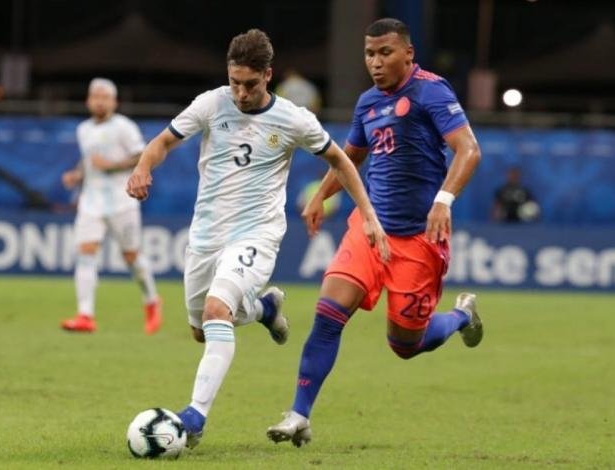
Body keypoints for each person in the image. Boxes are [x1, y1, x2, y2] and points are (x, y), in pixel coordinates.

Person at [126, 29, 387, 448]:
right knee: (202, 330)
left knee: (217, 310)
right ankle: (264, 309)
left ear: (268, 75)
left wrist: (368, 216)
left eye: (250, 84)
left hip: (256, 234)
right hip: (206, 235)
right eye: (235, 82)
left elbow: (341, 160)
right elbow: (163, 142)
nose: (241, 93)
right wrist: (143, 167)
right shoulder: (211, 104)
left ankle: (194, 417)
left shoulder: (294, 119)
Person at [266, 18, 484, 447]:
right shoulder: (367, 102)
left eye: (385, 52)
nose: (376, 62)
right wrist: (320, 195)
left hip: (418, 240)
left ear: (408, 53)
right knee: (328, 314)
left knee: (405, 344)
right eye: (369, 53)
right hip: (370, 230)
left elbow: (469, 149)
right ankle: (299, 415)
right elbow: (350, 157)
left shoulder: (431, 91)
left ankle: (461, 316)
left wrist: (444, 200)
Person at [60, 78, 162, 334]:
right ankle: (85, 315)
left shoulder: (124, 127)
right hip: (91, 202)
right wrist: (77, 175)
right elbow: (89, 161)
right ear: (88, 100)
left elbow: (142, 156)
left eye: (105, 97)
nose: (100, 101)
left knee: (131, 256)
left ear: (114, 102)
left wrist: (112, 166)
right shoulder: (83, 129)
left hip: (122, 201)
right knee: (85, 252)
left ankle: (151, 300)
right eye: (96, 96)